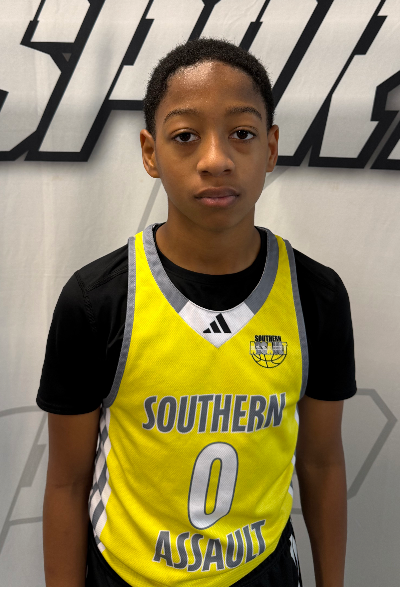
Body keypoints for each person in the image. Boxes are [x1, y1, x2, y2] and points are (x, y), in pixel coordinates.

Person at [38, 38, 356, 587]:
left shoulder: (316, 295)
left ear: (271, 148)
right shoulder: (96, 301)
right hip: (127, 575)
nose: (216, 159)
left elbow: (322, 464)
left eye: (242, 133)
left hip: (262, 571)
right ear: (150, 152)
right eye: (185, 136)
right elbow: (67, 484)